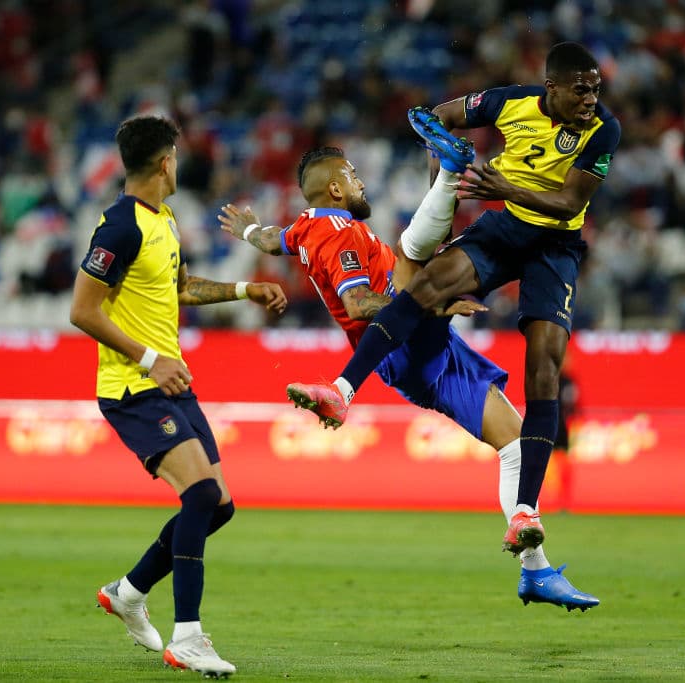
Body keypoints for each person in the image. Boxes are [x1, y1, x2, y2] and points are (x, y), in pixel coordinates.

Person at [218, 137, 599, 611]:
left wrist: (249, 229)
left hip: (422, 347)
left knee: (517, 446)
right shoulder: (339, 232)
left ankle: (536, 570)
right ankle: (446, 171)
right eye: (353, 176)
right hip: (403, 343)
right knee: (414, 258)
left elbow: (272, 240)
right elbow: (358, 303)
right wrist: (432, 302)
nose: (361, 183)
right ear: (336, 190)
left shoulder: (302, 229)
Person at [286, 42, 621, 557]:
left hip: (554, 246)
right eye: (581, 88)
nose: (591, 98)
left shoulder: (603, 130)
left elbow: (569, 202)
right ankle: (342, 390)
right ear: (551, 86)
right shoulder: (511, 103)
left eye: (595, 88)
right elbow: (433, 116)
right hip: (505, 230)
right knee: (424, 287)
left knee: (545, 369)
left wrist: (504, 187)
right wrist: (440, 164)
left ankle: (527, 510)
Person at [69, 114, 287, 678]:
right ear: (166, 160)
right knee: (200, 496)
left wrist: (245, 290)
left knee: (219, 506)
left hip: (170, 381)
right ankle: (187, 635)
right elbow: (82, 310)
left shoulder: (162, 219)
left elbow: (181, 288)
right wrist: (149, 358)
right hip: (133, 386)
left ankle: (129, 591)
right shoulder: (119, 226)